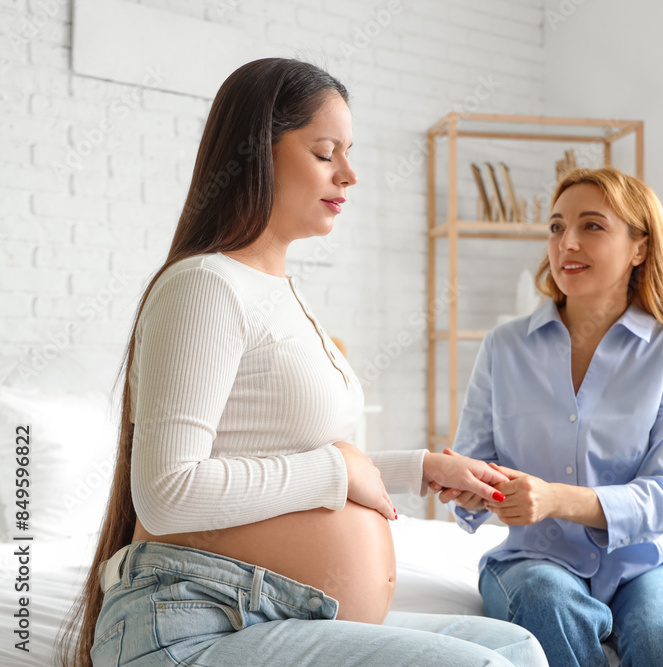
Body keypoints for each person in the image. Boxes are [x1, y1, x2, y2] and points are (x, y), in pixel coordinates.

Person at [58, 57, 546, 667]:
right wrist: (338, 471)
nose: (350, 174)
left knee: (516, 645)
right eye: (325, 152)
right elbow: (166, 493)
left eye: (349, 152)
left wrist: (419, 470)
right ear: (256, 153)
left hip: (270, 606)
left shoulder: (279, 290)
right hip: (191, 621)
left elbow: (266, 452)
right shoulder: (206, 285)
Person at [433, 167, 663, 666]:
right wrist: (471, 487)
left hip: (649, 564)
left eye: (591, 226)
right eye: (556, 227)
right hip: (533, 561)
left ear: (640, 248)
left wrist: (554, 500)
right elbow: (477, 465)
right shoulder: (505, 347)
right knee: (549, 602)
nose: (567, 242)